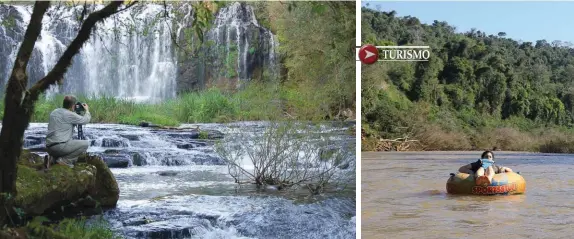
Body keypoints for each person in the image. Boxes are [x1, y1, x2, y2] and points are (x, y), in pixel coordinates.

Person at [45, 95, 91, 168]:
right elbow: (85, 120)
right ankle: (65, 161)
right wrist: (87, 110)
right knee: (85, 144)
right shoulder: (69, 114)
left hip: (49, 147)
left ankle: (52, 159)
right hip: (60, 147)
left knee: (65, 141)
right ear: (73, 106)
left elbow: (66, 119)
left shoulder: (54, 112)